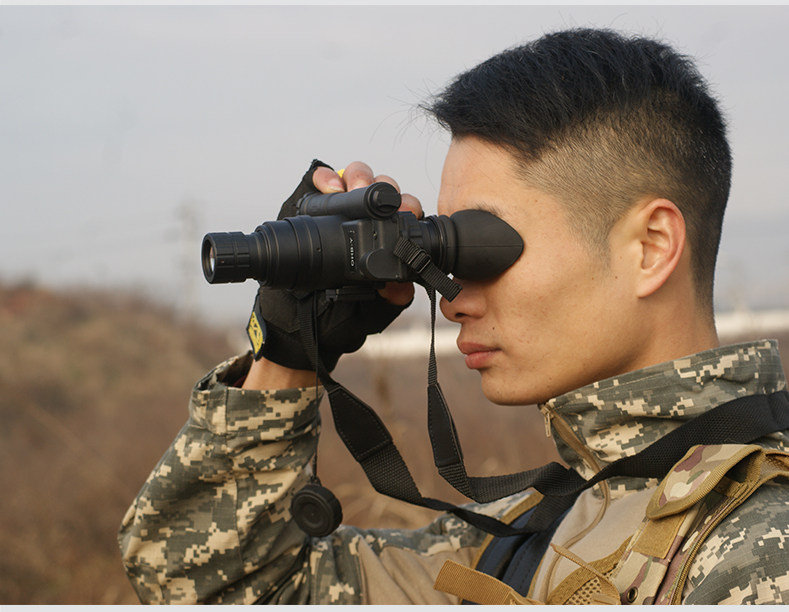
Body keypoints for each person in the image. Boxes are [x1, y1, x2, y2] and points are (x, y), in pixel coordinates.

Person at [118, 28, 789, 604]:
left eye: (481, 243)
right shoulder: (529, 533)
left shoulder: (759, 545)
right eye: (443, 245)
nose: (451, 294)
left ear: (651, 247)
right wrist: (289, 354)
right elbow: (213, 585)